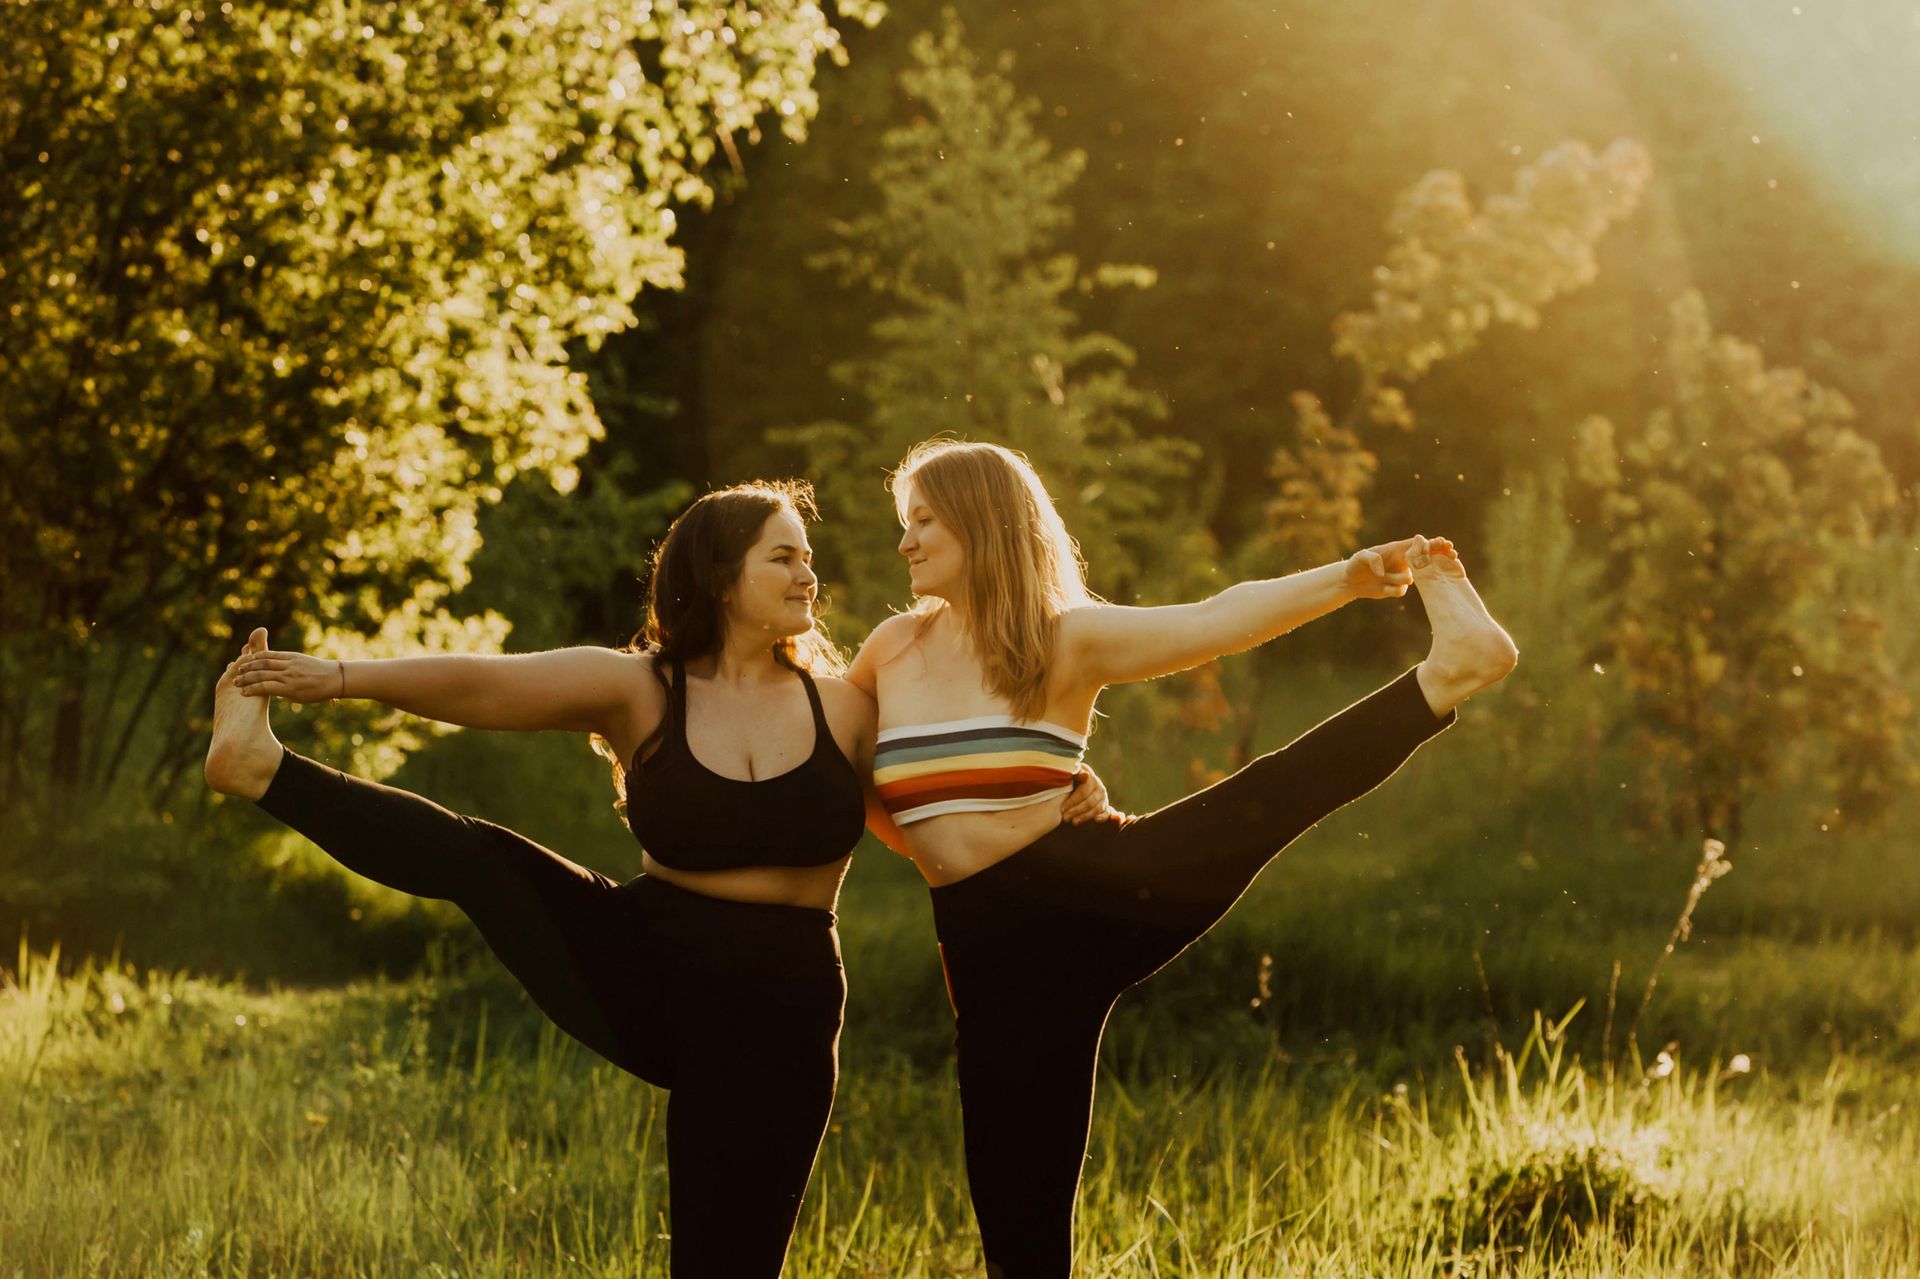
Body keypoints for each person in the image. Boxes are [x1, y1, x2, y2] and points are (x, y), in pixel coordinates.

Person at [202, 479, 1109, 1277]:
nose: (809, 577)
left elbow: (946, 798)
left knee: (726, 1263)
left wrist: (1064, 785)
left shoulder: (850, 708)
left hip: (782, 1012)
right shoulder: (640, 688)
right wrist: (341, 676)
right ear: (722, 576)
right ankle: (263, 770)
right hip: (645, 961)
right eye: (784, 557)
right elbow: (485, 685)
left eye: (809, 559)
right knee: (480, 858)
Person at [848, 440, 1518, 1277]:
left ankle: (1445, 672)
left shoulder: (1068, 640)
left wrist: (1346, 577)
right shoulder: (890, 650)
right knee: (1017, 1213)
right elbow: (835, 764)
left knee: (1261, 798)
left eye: (923, 521)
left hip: (1093, 890)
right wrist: (930, 842)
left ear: (981, 524)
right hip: (988, 956)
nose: (905, 542)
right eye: (904, 525)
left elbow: (1213, 620)